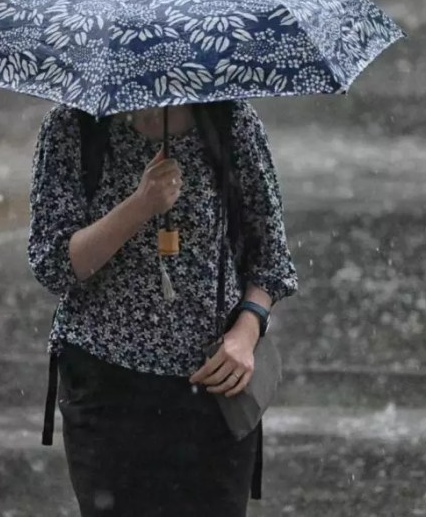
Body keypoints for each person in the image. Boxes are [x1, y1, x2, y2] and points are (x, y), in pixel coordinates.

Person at [27, 99, 298, 517]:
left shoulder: (229, 120)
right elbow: (55, 265)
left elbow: (271, 259)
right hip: (105, 387)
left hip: (213, 385)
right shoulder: (73, 126)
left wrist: (245, 335)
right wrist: (141, 205)